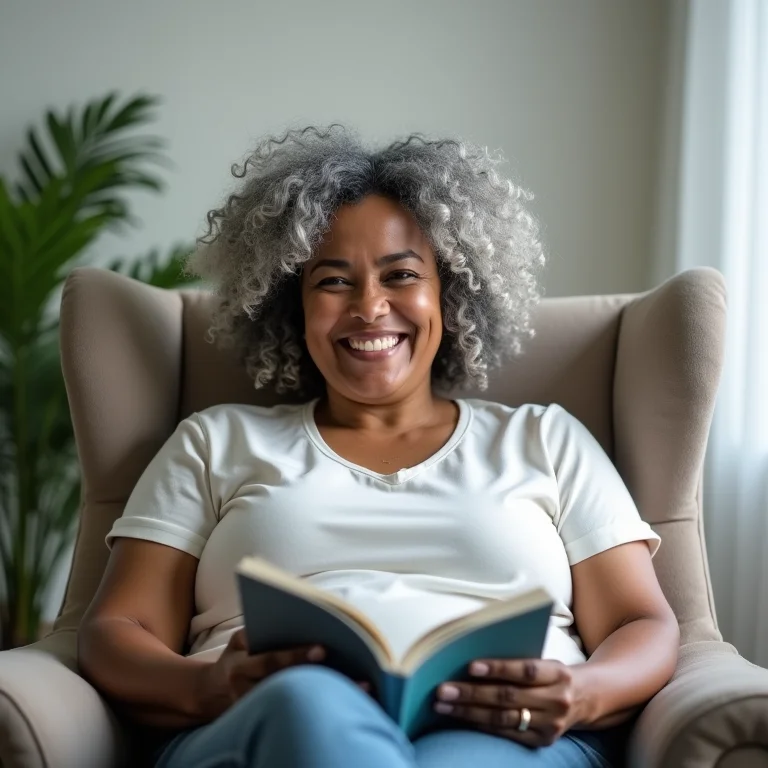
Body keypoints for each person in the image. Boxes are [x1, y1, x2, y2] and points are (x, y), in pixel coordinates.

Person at [77, 126, 680, 768]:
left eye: (401, 275)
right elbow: (118, 629)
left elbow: (641, 623)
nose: (369, 307)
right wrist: (207, 686)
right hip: (269, 726)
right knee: (307, 703)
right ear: (293, 305)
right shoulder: (214, 442)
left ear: (450, 293)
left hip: (507, 734)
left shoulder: (545, 440)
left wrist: (581, 692)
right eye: (333, 282)